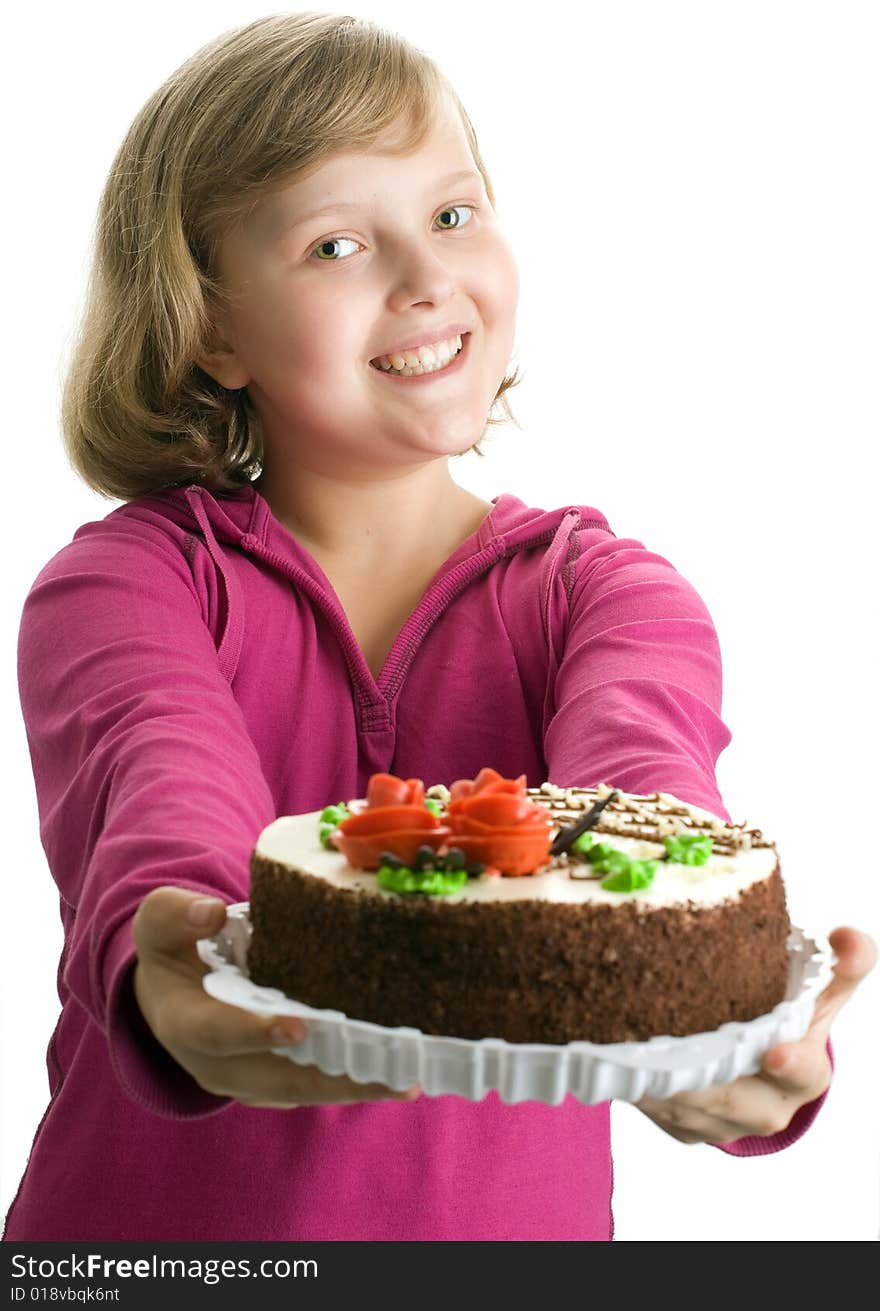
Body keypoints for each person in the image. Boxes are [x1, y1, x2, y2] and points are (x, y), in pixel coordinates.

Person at [3, 13, 874, 1242]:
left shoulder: (609, 595)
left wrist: (726, 1044)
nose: (425, 279)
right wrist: (175, 977)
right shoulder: (128, 585)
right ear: (210, 326)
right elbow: (163, 793)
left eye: (453, 215)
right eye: (336, 242)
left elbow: (643, 790)